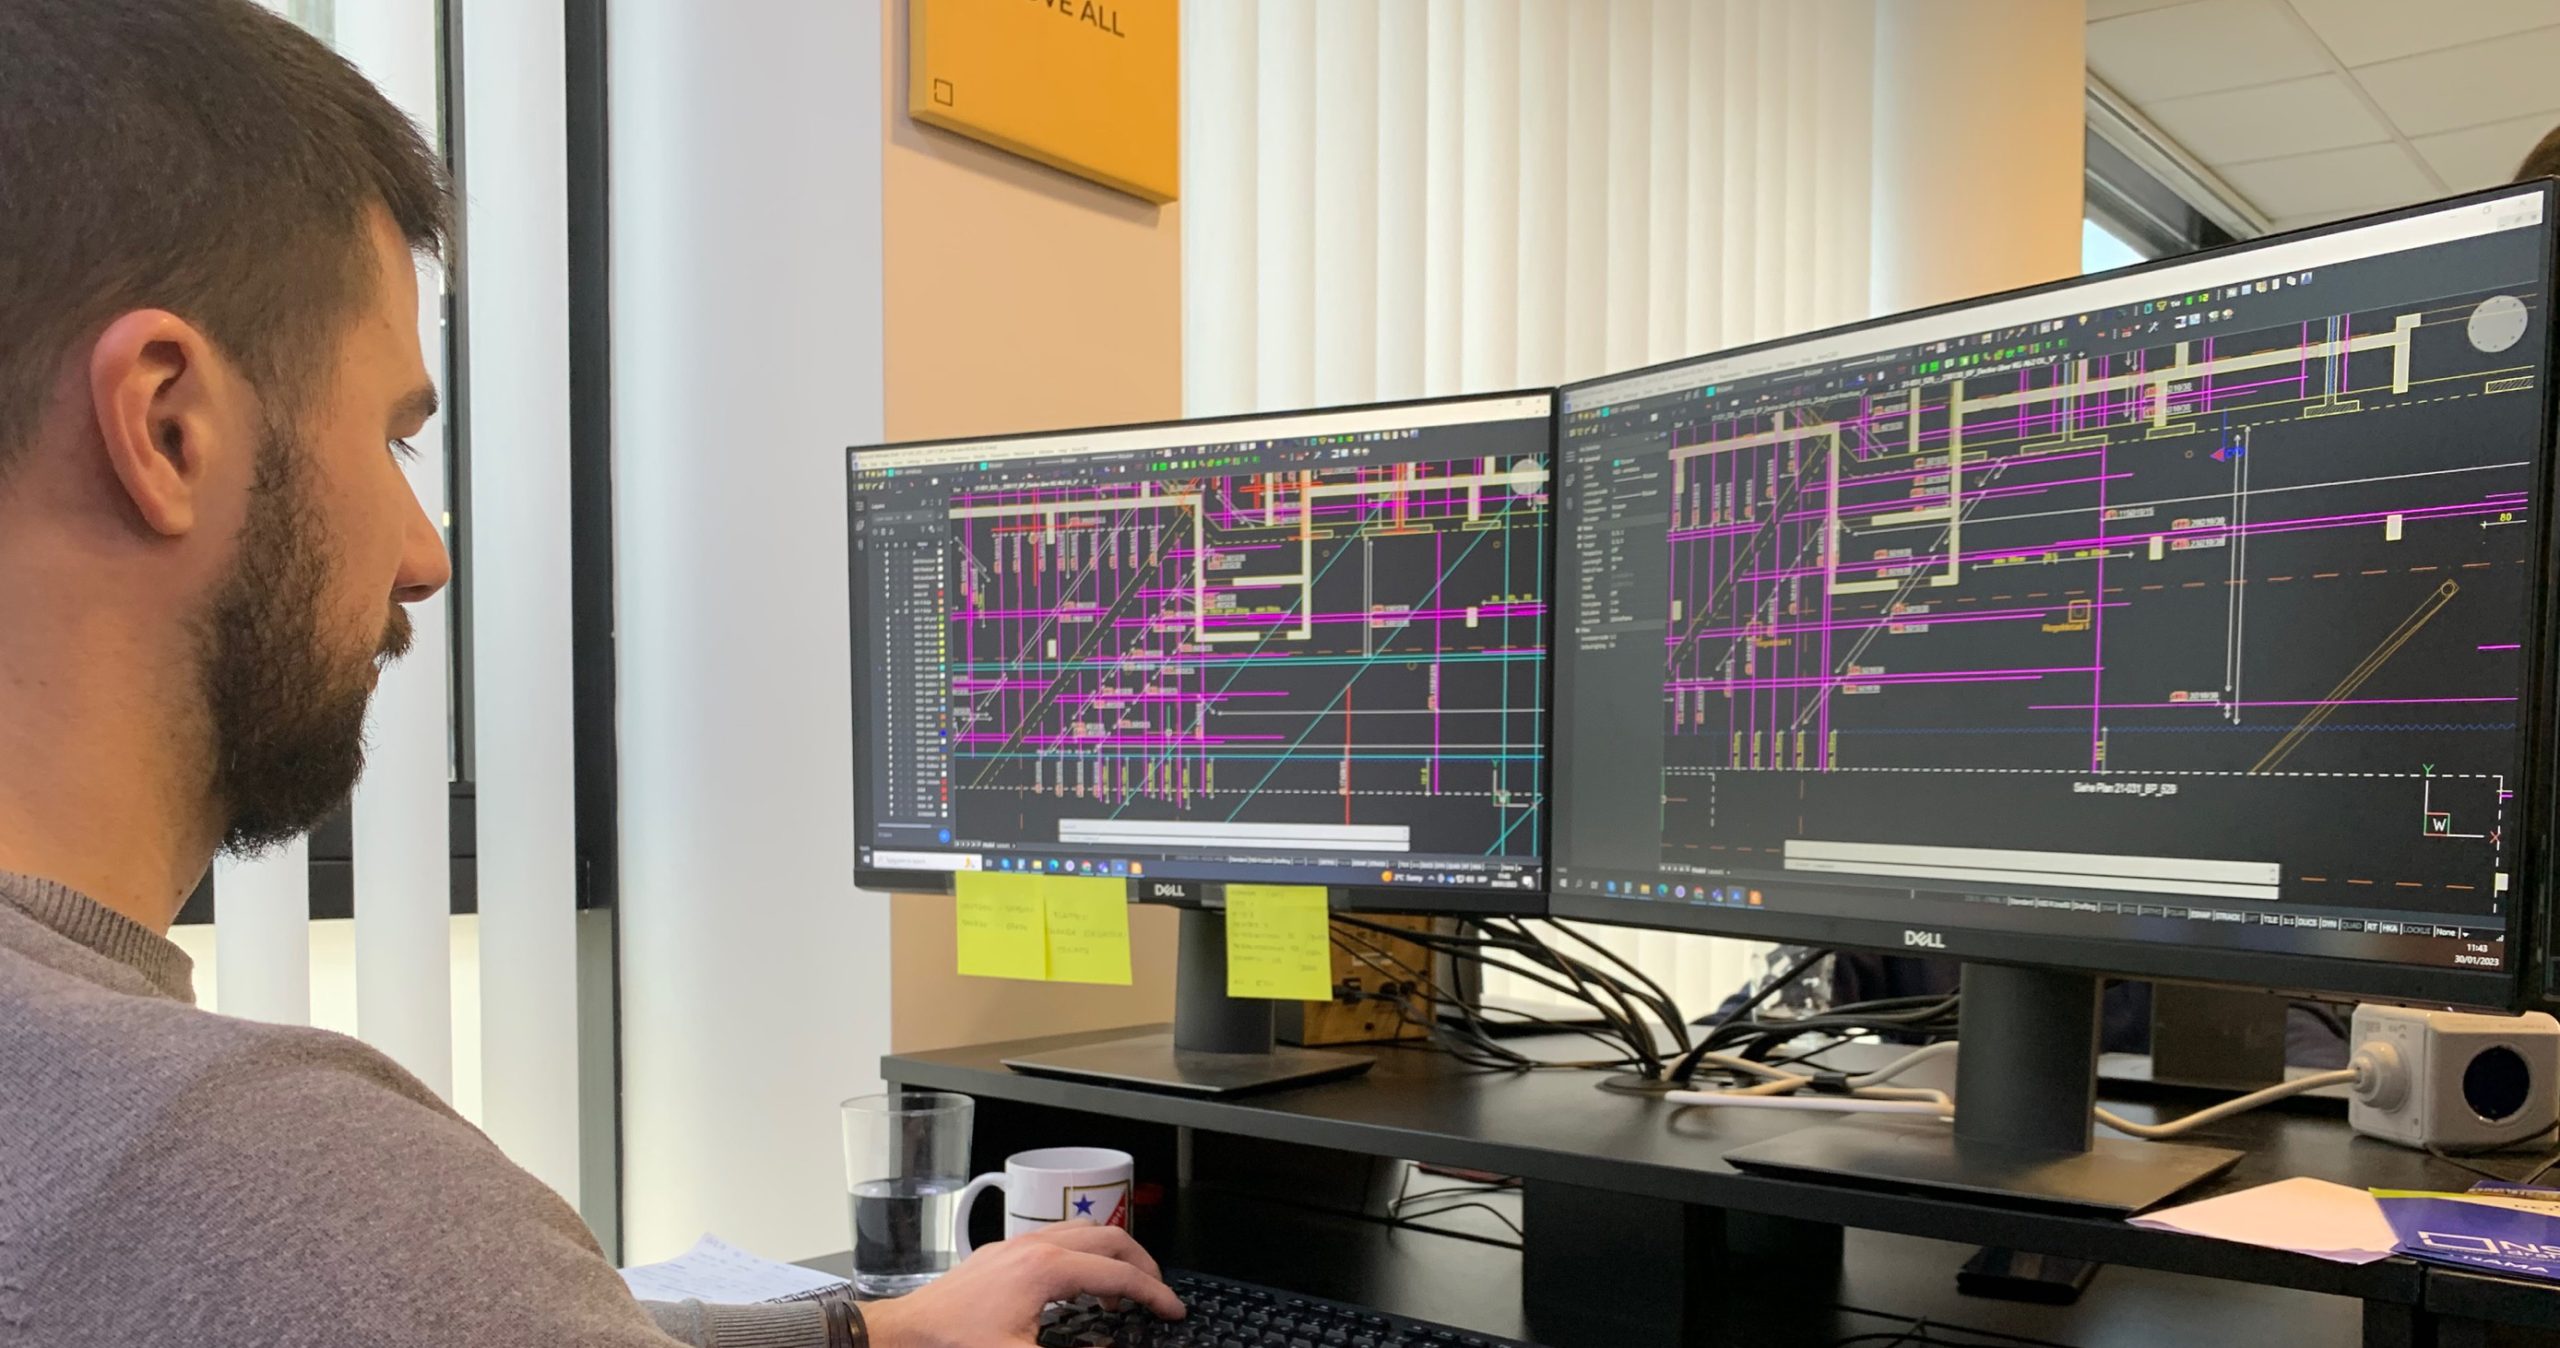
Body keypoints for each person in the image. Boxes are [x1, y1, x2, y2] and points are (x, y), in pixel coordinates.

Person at [0, 3, 1182, 1345]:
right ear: (167, 426)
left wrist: (867, 1330)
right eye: (391, 439)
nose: (424, 556)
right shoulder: (282, 1194)